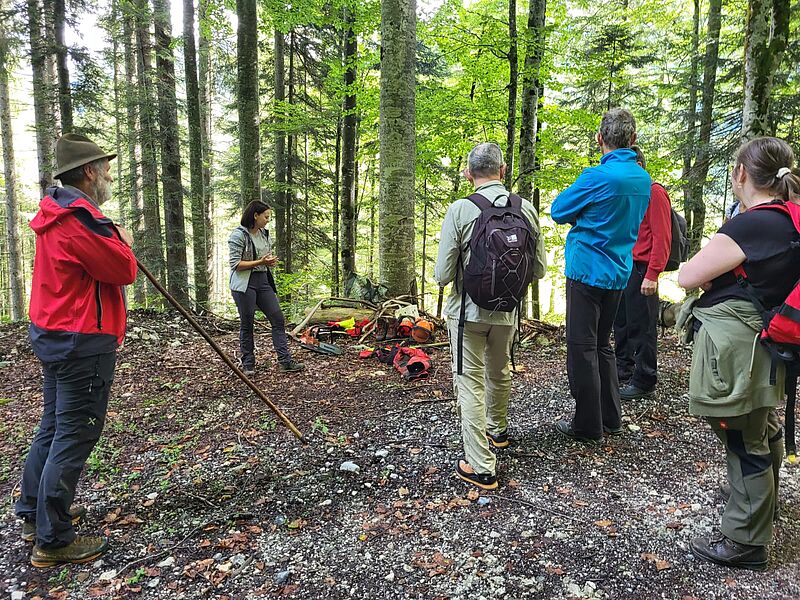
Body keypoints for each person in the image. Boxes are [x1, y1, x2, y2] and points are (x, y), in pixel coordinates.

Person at [678, 136, 800, 571]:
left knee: (741, 433)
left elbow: (688, 275)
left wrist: (712, 262)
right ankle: (762, 505)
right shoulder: (792, 219)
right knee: (762, 424)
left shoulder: (752, 224)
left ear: (742, 174)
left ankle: (746, 540)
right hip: (771, 346)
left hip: (741, 350)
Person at [16, 133, 137, 567]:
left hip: (56, 333)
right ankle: (53, 539)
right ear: (88, 172)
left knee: (53, 425)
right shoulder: (79, 217)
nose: (107, 174)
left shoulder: (56, 210)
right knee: (74, 431)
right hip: (81, 337)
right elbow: (122, 269)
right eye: (103, 167)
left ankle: (34, 512)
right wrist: (117, 235)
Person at [434, 142, 546, 490]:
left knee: (469, 382)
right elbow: (539, 270)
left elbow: (442, 275)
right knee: (499, 371)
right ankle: (498, 431)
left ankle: (481, 465)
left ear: (469, 174)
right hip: (507, 310)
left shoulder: (460, 210)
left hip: (467, 313)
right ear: (503, 170)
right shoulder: (525, 209)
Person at [550, 108, 651, 443]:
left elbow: (559, 210)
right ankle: (611, 417)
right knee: (602, 345)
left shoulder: (596, 177)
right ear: (633, 140)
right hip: (619, 272)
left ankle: (588, 425)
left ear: (600, 139)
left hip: (587, 272)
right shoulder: (642, 179)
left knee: (582, 348)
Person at [613, 145, 673, 399]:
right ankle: (623, 369)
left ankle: (645, 377)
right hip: (624, 266)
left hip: (643, 268)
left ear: (638, 166)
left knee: (643, 325)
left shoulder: (654, 192)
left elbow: (662, 237)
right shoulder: (631, 194)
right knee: (622, 322)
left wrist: (653, 273)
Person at [228, 201, 304, 375]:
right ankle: (248, 364)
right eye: (266, 216)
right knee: (247, 323)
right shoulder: (238, 235)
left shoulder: (264, 234)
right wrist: (261, 262)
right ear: (255, 215)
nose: (268, 220)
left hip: (263, 281)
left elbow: (264, 257)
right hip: (244, 283)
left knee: (277, 318)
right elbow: (235, 264)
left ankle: (285, 361)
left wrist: (268, 261)